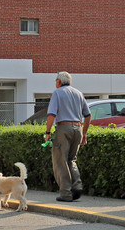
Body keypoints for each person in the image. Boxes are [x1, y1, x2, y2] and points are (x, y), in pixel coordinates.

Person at [44, 71, 91, 202]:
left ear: (59, 82)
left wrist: (47, 133)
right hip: (78, 128)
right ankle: (77, 186)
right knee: (72, 159)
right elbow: (88, 115)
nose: (55, 84)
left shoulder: (57, 93)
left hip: (63, 128)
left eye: (55, 81)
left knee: (61, 161)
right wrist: (85, 134)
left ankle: (66, 194)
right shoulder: (78, 93)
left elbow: (51, 115)